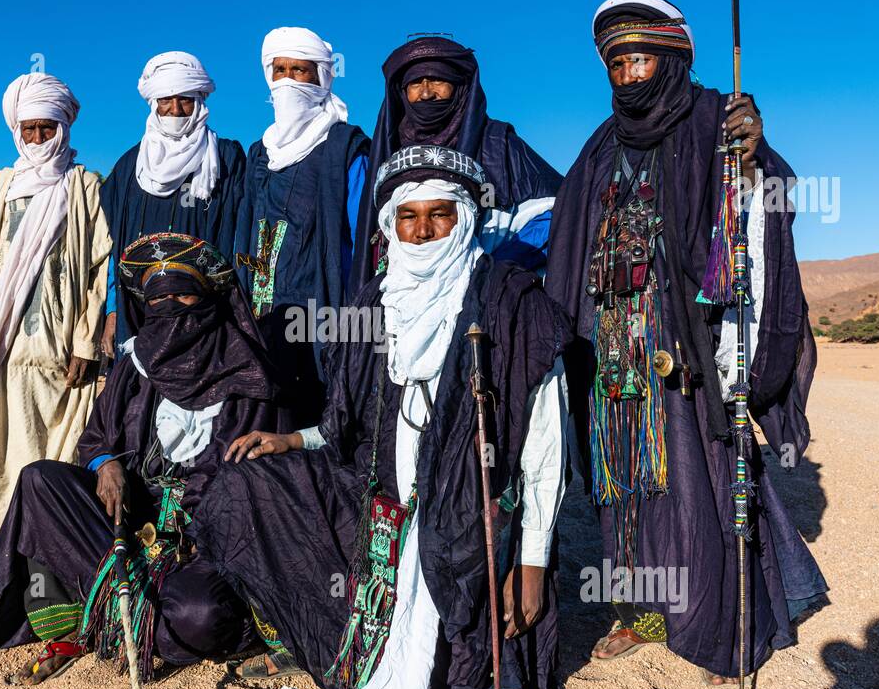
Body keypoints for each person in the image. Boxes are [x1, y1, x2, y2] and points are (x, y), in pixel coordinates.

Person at [197, 146, 571, 689]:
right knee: (244, 485)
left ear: (467, 218)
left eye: (440, 214)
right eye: (409, 216)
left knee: (463, 675)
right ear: (390, 224)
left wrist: (531, 565)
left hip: (472, 521)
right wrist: (292, 439)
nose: (423, 231)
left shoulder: (509, 302)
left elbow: (545, 449)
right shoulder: (376, 300)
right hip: (382, 511)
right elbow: (347, 422)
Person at [544, 0, 828, 684]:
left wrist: (752, 158)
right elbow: (568, 239)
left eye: (641, 60)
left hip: (687, 342)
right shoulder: (599, 147)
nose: (628, 76)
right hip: (612, 347)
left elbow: (772, 204)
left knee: (698, 480)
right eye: (617, 65)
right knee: (624, 488)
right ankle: (640, 612)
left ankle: (718, 621)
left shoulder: (714, 119)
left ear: (670, 57)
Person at [0, 233, 280, 683]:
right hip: (126, 516)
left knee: (200, 615)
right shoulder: (134, 364)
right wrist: (106, 464)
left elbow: (253, 479)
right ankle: (89, 621)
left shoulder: (246, 374)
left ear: (210, 299)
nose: (172, 308)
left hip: (207, 538)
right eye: (160, 299)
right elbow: (96, 435)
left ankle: (119, 615)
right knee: (40, 481)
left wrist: (196, 527)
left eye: (184, 294)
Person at [0, 73, 111, 565]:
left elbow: (100, 271)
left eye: (47, 128)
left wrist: (85, 341)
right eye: (30, 129)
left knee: (52, 449)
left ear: (64, 126)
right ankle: (3, 546)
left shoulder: (84, 188)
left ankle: (47, 546)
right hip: (4, 349)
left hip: (59, 352)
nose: (39, 139)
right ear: (16, 131)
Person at [350, 36, 563, 289]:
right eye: (416, 82)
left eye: (438, 80)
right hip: (401, 294)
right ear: (403, 92)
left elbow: (557, 213)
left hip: (483, 294)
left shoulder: (499, 144)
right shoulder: (389, 149)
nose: (427, 92)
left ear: (460, 87)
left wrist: (497, 266)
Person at [241, 27, 369, 422]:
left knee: (323, 414)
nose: (289, 81)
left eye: (301, 71)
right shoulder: (260, 152)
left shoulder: (345, 146)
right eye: (280, 70)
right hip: (264, 310)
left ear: (321, 78)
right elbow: (247, 232)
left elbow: (362, 234)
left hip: (326, 309)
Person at [99, 52, 249, 356]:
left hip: (207, 314)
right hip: (139, 316)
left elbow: (240, 238)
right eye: (166, 100)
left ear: (200, 101)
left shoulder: (226, 159)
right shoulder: (129, 170)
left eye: (185, 100)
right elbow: (113, 250)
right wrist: (113, 311)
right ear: (154, 104)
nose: (176, 110)